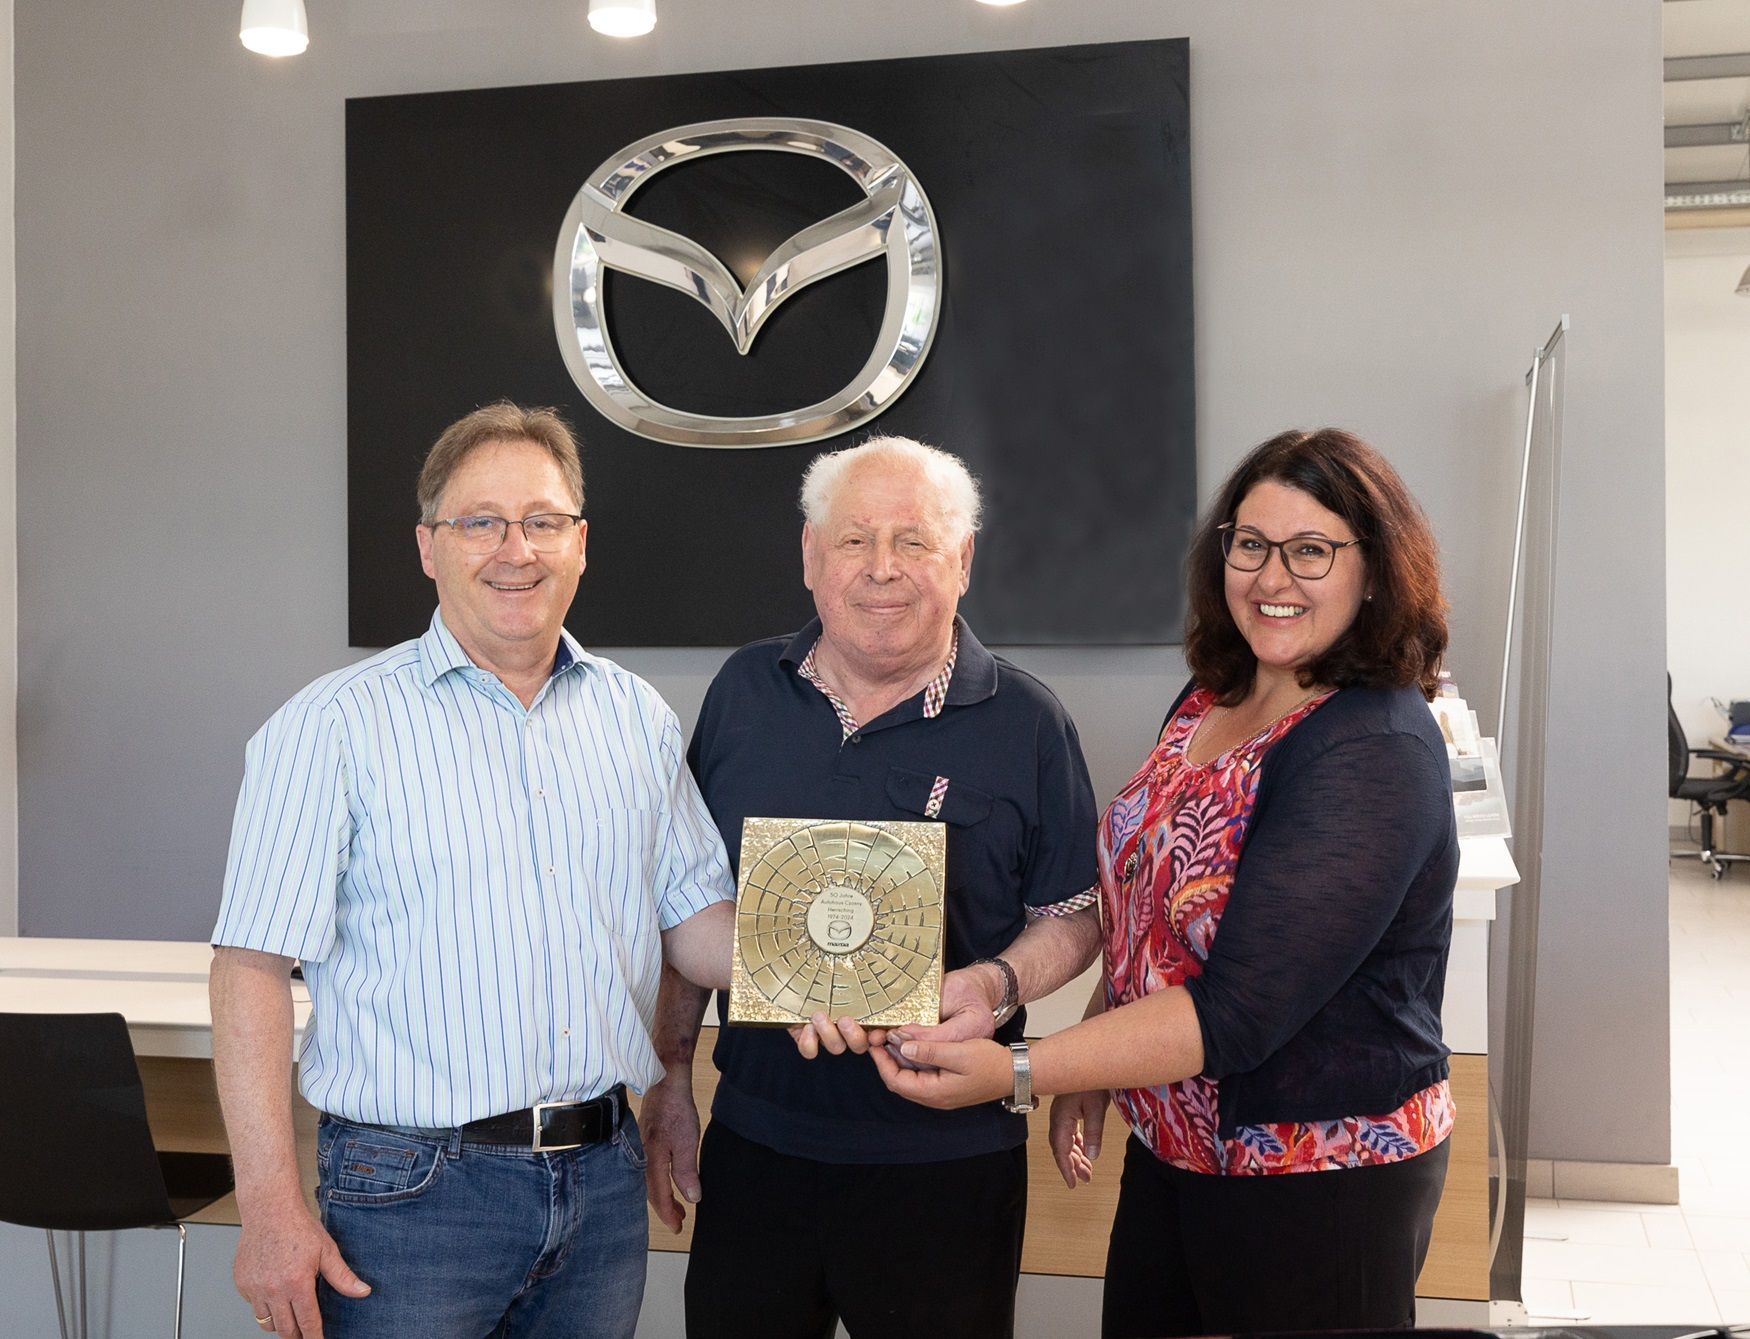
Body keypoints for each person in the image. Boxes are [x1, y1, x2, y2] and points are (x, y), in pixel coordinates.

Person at [872, 428, 1459, 1338]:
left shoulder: (1370, 747)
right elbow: (1148, 912)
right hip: (1179, 1154)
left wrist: (1019, 1067)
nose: (1273, 576)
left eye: (1311, 550)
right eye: (1251, 543)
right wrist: (1098, 1064)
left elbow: (1235, 1012)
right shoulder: (1212, 698)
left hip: (1317, 1180)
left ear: (1374, 570)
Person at [209, 402, 736, 1339]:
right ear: (427, 547)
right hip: (410, 1197)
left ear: (580, 544)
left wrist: (847, 969)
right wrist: (269, 1206)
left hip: (602, 1182)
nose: (514, 549)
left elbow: (697, 926)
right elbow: (248, 971)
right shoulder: (331, 727)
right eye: (479, 521)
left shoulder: (635, 718)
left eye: (541, 520)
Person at [641, 435, 1102, 1339]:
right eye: (854, 541)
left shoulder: (1029, 721)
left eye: (915, 541)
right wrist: (671, 1075)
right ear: (811, 558)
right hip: (757, 1145)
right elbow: (690, 897)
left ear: (963, 559)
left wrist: (996, 983)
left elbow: (1074, 913)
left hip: (949, 1159)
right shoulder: (742, 692)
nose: (882, 568)